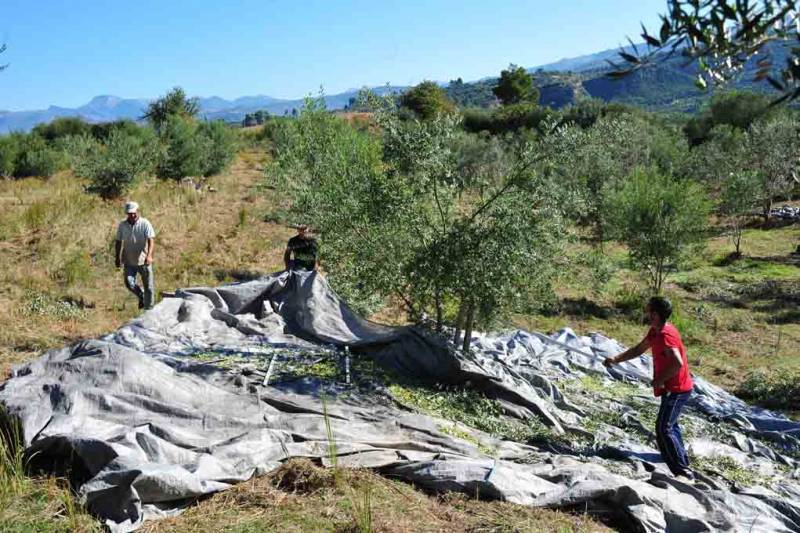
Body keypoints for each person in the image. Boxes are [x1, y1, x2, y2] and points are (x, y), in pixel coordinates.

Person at [603, 296, 695, 479]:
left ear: (655, 314)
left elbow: (677, 363)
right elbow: (639, 349)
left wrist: (659, 379)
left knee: (664, 428)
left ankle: (683, 471)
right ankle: (682, 458)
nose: (645, 312)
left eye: (648, 310)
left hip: (677, 389)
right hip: (672, 388)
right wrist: (616, 359)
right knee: (671, 425)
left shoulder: (665, 336)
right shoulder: (655, 331)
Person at [115, 201, 156, 309]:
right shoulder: (122, 225)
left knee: (149, 287)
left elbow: (151, 240)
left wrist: (149, 256)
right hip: (129, 260)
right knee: (129, 283)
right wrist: (117, 257)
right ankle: (141, 295)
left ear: (138, 211)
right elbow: (118, 241)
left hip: (144, 261)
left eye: (134, 212)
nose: (132, 215)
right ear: (126, 214)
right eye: (129, 213)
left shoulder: (145, 223)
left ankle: (149, 310)